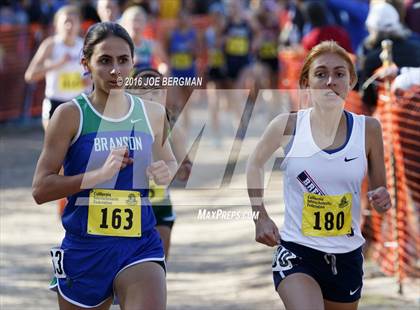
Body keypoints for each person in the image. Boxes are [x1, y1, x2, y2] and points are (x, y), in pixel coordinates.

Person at [32, 22, 177, 309]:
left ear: (133, 62)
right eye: (105, 61)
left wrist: (166, 171)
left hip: (139, 244)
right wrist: (97, 176)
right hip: (85, 249)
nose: (115, 70)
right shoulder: (70, 115)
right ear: (85, 63)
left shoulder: (152, 113)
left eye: (123, 60)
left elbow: (169, 161)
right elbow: (40, 189)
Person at [247, 41, 392, 310]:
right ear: (306, 81)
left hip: (346, 255)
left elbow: (379, 189)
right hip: (297, 252)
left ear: (352, 81)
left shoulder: (368, 129)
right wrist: (260, 216)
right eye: (321, 74)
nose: (330, 82)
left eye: (339, 74)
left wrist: (382, 197)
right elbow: (254, 164)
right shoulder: (287, 125)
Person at [24, 4, 89, 130]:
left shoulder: (84, 47)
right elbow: (30, 75)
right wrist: (57, 64)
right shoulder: (51, 45)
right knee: (53, 146)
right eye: (65, 22)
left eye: (73, 22)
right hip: (55, 103)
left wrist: (91, 81)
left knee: (76, 147)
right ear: (57, 25)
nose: (69, 26)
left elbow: (94, 75)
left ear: (79, 24)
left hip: (78, 104)